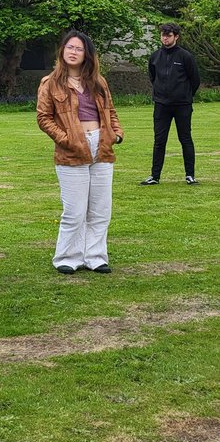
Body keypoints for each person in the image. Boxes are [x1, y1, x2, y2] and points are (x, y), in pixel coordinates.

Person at [36, 30, 124, 275]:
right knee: (74, 210)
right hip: (71, 149)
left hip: (102, 146)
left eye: (79, 49)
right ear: (62, 51)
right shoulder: (50, 82)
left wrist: (116, 134)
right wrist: (66, 139)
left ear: (87, 54)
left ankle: (95, 257)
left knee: (100, 209)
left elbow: (111, 111)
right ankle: (67, 257)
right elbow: (43, 118)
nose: (73, 52)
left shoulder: (98, 82)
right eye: (69, 47)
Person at [142, 23, 201, 185]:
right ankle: (155, 176)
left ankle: (190, 175)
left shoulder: (185, 57)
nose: (165, 38)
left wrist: (185, 95)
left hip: (182, 105)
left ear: (176, 37)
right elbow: (153, 77)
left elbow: (194, 79)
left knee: (185, 139)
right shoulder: (155, 56)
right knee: (159, 140)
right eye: (163, 35)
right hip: (161, 105)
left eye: (168, 35)